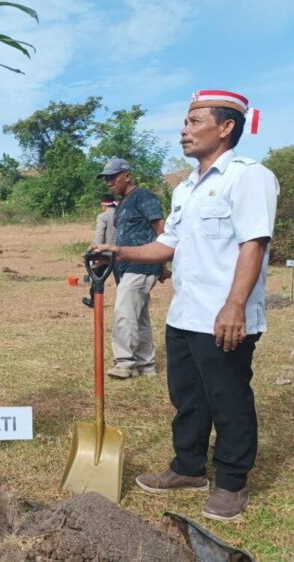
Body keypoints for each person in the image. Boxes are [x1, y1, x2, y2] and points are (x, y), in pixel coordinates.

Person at [92, 90, 279, 522]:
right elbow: (166, 245)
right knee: (188, 397)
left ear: (226, 127)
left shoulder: (248, 177)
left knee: (228, 398)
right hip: (185, 315)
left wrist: (234, 306)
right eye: (185, 122)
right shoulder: (187, 189)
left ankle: (232, 481)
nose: (184, 130)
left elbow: (254, 243)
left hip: (224, 316)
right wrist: (117, 251)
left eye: (195, 121)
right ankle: (188, 468)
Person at [96, 158, 165, 379]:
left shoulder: (143, 197)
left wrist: (162, 263)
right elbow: (126, 240)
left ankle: (124, 363)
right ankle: (146, 365)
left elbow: (162, 231)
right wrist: (106, 260)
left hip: (142, 266)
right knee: (138, 316)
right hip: (125, 267)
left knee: (123, 312)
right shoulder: (122, 204)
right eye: (106, 178)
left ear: (127, 175)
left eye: (113, 177)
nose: (109, 182)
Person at [82, 194, 119, 308]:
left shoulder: (102, 217)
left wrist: (93, 251)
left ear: (103, 205)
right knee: (121, 280)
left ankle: (95, 300)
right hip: (123, 252)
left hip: (106, 253)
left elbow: (99, 237)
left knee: (97, 276)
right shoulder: (121, 215)